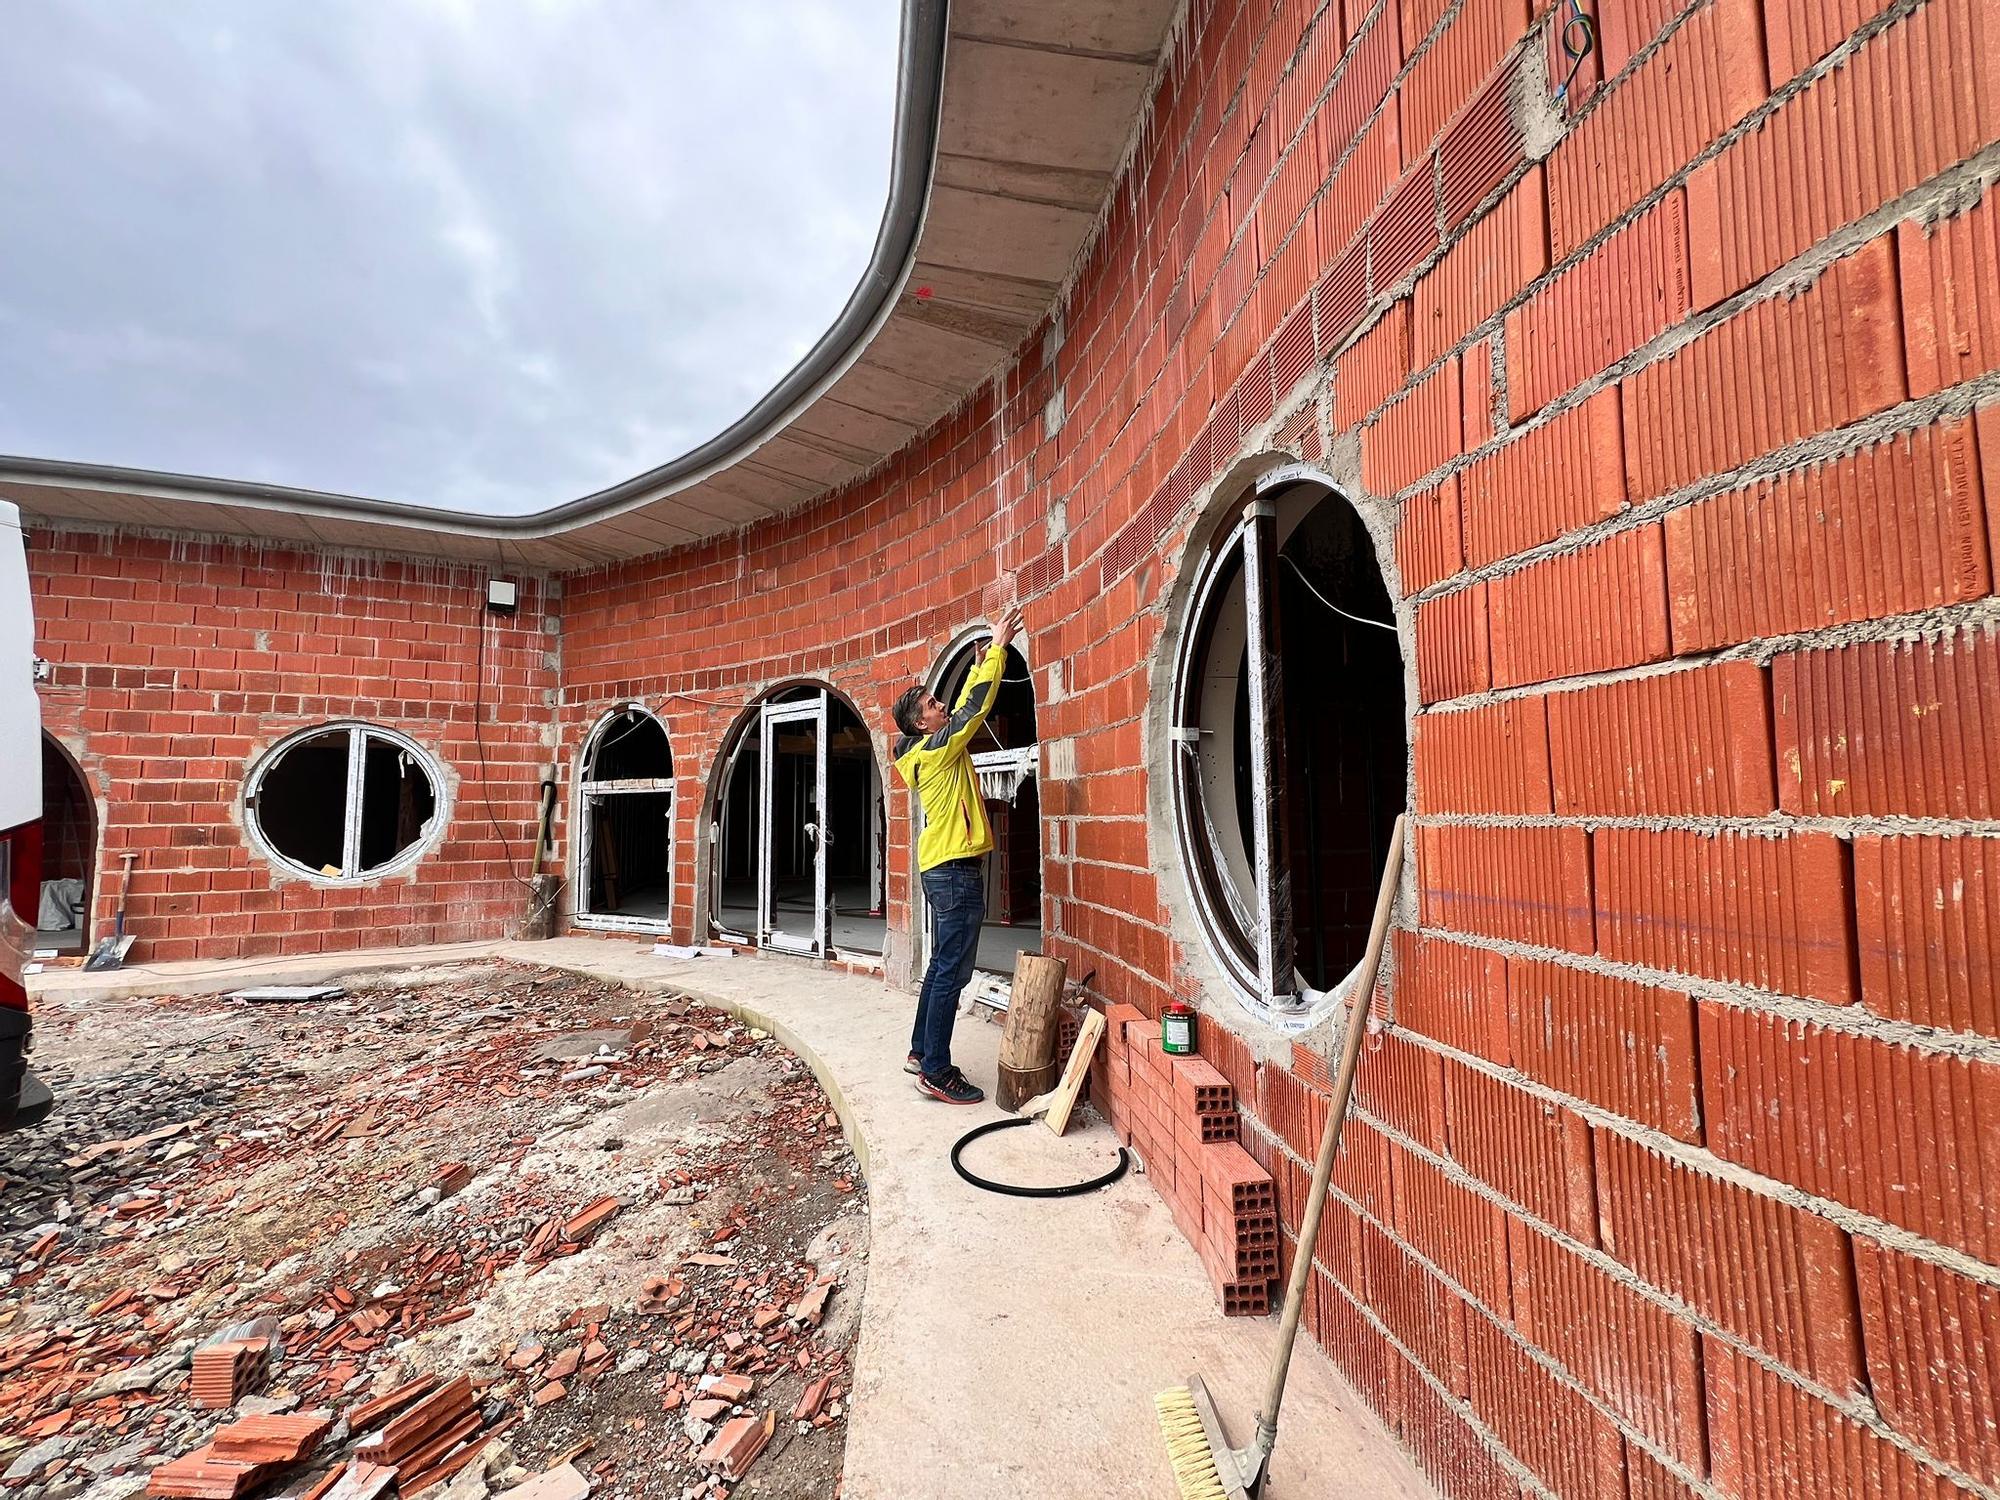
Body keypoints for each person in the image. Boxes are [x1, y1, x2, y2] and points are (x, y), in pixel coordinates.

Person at [888, 601, 1023, 1104]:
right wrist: (999, 651)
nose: (939, 704)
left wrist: (984, 659)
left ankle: (922, 1053)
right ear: (923, 725)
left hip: (940, 868)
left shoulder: (925, 750)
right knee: (952, 971)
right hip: (954, 872)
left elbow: (961, 707)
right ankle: (938, 1072)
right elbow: (973, 710)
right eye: (930, 705)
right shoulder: (939, 747)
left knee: (941, 966)